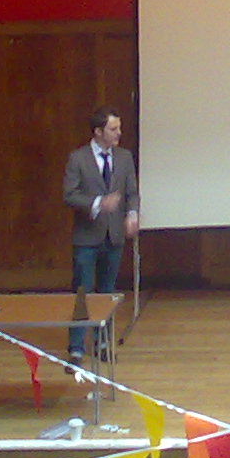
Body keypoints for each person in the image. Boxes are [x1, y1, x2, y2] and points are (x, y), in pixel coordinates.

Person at [62, 105, 139, 366]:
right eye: (113, 129)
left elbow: (132, 192)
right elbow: (69, 195)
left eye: (119, 128)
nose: (119, 133)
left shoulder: (124, 157)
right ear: (98, 131)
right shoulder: (78, 158)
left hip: (113, 236)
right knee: (83, 293)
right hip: (86, 237)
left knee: (107, 294)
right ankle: (76, 347)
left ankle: (102, 342)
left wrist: (132, 214)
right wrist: (98, 203)